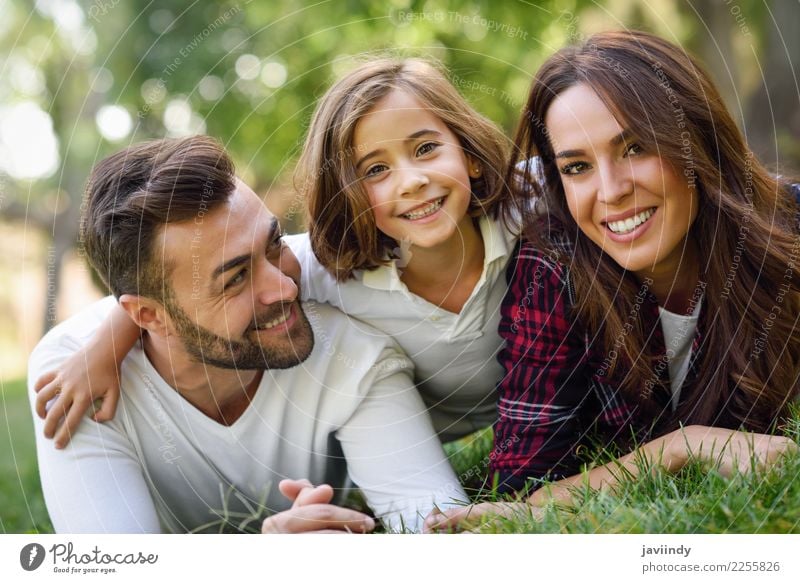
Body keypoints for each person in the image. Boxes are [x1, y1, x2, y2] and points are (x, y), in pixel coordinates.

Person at [425, 30, 799, 531]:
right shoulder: (554, 269)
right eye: (577, 166)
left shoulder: (787, 230)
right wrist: (680, 447)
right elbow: (520, 487)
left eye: (635, 147)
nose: (611, 191)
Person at [35, 58, 518, 445]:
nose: (412, 182)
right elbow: (167, 294)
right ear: (344, 192)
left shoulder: (528, 213)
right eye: (374, 170)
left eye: (427, 148)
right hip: (418, 437)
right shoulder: (331, 271)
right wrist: (103, 349)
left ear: (470, 155)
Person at [28, 136, 466, 533]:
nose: (286, 287)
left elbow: (437, 527)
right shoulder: (76, 377)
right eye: (235, 278)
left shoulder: (351, 351)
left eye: (274, 244)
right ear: (148, 315)